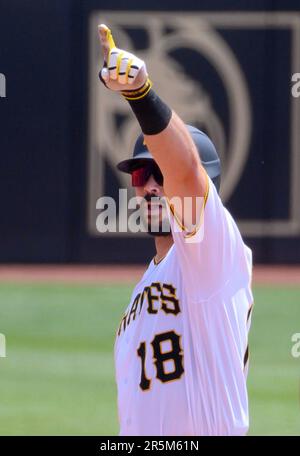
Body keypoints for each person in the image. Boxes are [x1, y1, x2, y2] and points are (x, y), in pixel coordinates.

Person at [98, 24, 253, 436]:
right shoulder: (148, 285)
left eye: (157, 172)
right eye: (140, 175)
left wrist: (141, 94)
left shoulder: (209, 252)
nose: (148, 185)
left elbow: (184, 170)